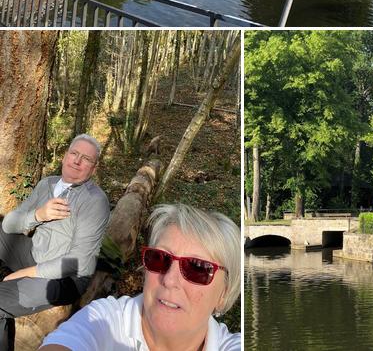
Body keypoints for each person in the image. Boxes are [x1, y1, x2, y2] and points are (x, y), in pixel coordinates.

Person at [40, 204, 241, 351]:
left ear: (223, 293)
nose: (169, 280)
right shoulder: (105, 320)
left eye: (197, 268)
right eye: (159, 258)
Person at [0, 134, 109, 351]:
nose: (77, 161)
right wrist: (39, 215)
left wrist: (24, 273)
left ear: (94, 169)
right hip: (35, 253)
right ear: (64, 156)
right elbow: (9, 224)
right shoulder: (46, 184)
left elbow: (80, 263)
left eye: (86, 159)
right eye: (74, 153)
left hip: (66, 278)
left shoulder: (95, 201)